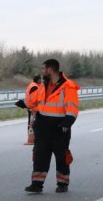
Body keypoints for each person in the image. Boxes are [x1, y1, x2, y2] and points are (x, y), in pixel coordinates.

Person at [24, 59, 80, 193]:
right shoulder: (43, 86)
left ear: (50, 70)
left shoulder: (68, 86)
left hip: (60, 128)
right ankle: (37, 184)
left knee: (62, 157)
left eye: (43, 69)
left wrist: (68, 122)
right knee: (39, 156)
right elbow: (33, 100)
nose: (42, 72)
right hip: (43, 127)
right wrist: (23, 103)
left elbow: (72, 106)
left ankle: (62, 183)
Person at [24, 75, 41, 145]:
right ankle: (33, 137)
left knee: (31, 122)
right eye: (40, 79)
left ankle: (32, 137)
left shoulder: (31, 85)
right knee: (34, 123)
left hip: (30, 107)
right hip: (33, 108)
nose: (41, 81)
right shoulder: (34, 87)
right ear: (38, 80)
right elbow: (34, 98)